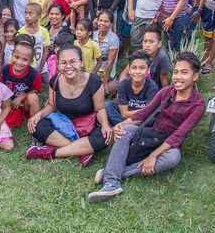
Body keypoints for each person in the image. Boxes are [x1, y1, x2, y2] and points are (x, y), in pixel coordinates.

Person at [88, 52, 206, 203]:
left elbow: (179, 135)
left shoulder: (198, 105)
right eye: (176, 72)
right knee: (125, 130)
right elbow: (144, 113)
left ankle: (112, 173)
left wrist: (153, 156)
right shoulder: (166, 92)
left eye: (184, 73)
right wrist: (120, 125)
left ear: (195, 76)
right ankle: (111, 183)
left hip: (169, 145)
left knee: (174, 157)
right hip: (151, 134)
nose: (178, 77)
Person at [26, 44, 114, 166]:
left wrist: (105, 125)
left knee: (104, 138)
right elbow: (52, 105)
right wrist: (39, 115)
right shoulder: (55, 80)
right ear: (58, 65)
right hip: (63, 125)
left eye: (73, 61)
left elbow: (99, 109)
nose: (68, 66)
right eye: (63, 63)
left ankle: (50, 152)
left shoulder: (94, 81)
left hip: (88, 126)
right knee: (36, 126)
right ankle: (82, 150)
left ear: (81, 62)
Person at [105, 50, 158, 124]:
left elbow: (147, 114)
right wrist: (144, 110)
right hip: (127, 115)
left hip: (141, 119)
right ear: (129, 70)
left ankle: (120, 126)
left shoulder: (152, 87)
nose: (137, 72)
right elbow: (124, 114)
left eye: (142, 68)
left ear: (148, 70)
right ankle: (124, 127)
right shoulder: (123, 84)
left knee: (151, 119)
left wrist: (146, 112)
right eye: (134, 68)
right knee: (107, 105)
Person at [1, 40, 42, 128]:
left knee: (33, 97)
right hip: (6, 103)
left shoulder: (34, 74)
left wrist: (21, 98)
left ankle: (35, 123)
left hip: (23, 103)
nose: (19, 62)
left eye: (25, 59)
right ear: (12, 55)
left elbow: (37, 90)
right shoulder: (4, 70)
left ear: (30, 61)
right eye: (17, 57)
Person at [120, 24, 171, 89]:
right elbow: (124, 73)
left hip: (153, 90)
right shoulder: (139, 54)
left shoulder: (162, 57)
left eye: (151, 42)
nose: (147, 45)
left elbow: (163, 79)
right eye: (145, 41)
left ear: (159, 44)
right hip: (135, 87)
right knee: (107, 87)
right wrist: (121, 88)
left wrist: (165, 97)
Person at [17, 3, 50, 84]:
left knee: (47, 84)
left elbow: (45, 51)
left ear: (38, 17)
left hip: (42, 66)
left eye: (30, 13)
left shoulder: (43, 31)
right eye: (26, 13)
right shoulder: (21, 32)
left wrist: (40, 69)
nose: (27, 16)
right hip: (27, 67)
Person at [94, 9, 120, 95]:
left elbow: (110, 63)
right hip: (92, 69)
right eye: (100, 20)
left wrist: (105, 82)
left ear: (111, 24)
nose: (102, 23)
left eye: (106, 21)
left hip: (105, 72)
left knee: (99, 92)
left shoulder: (114, 38)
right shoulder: (93, 35)